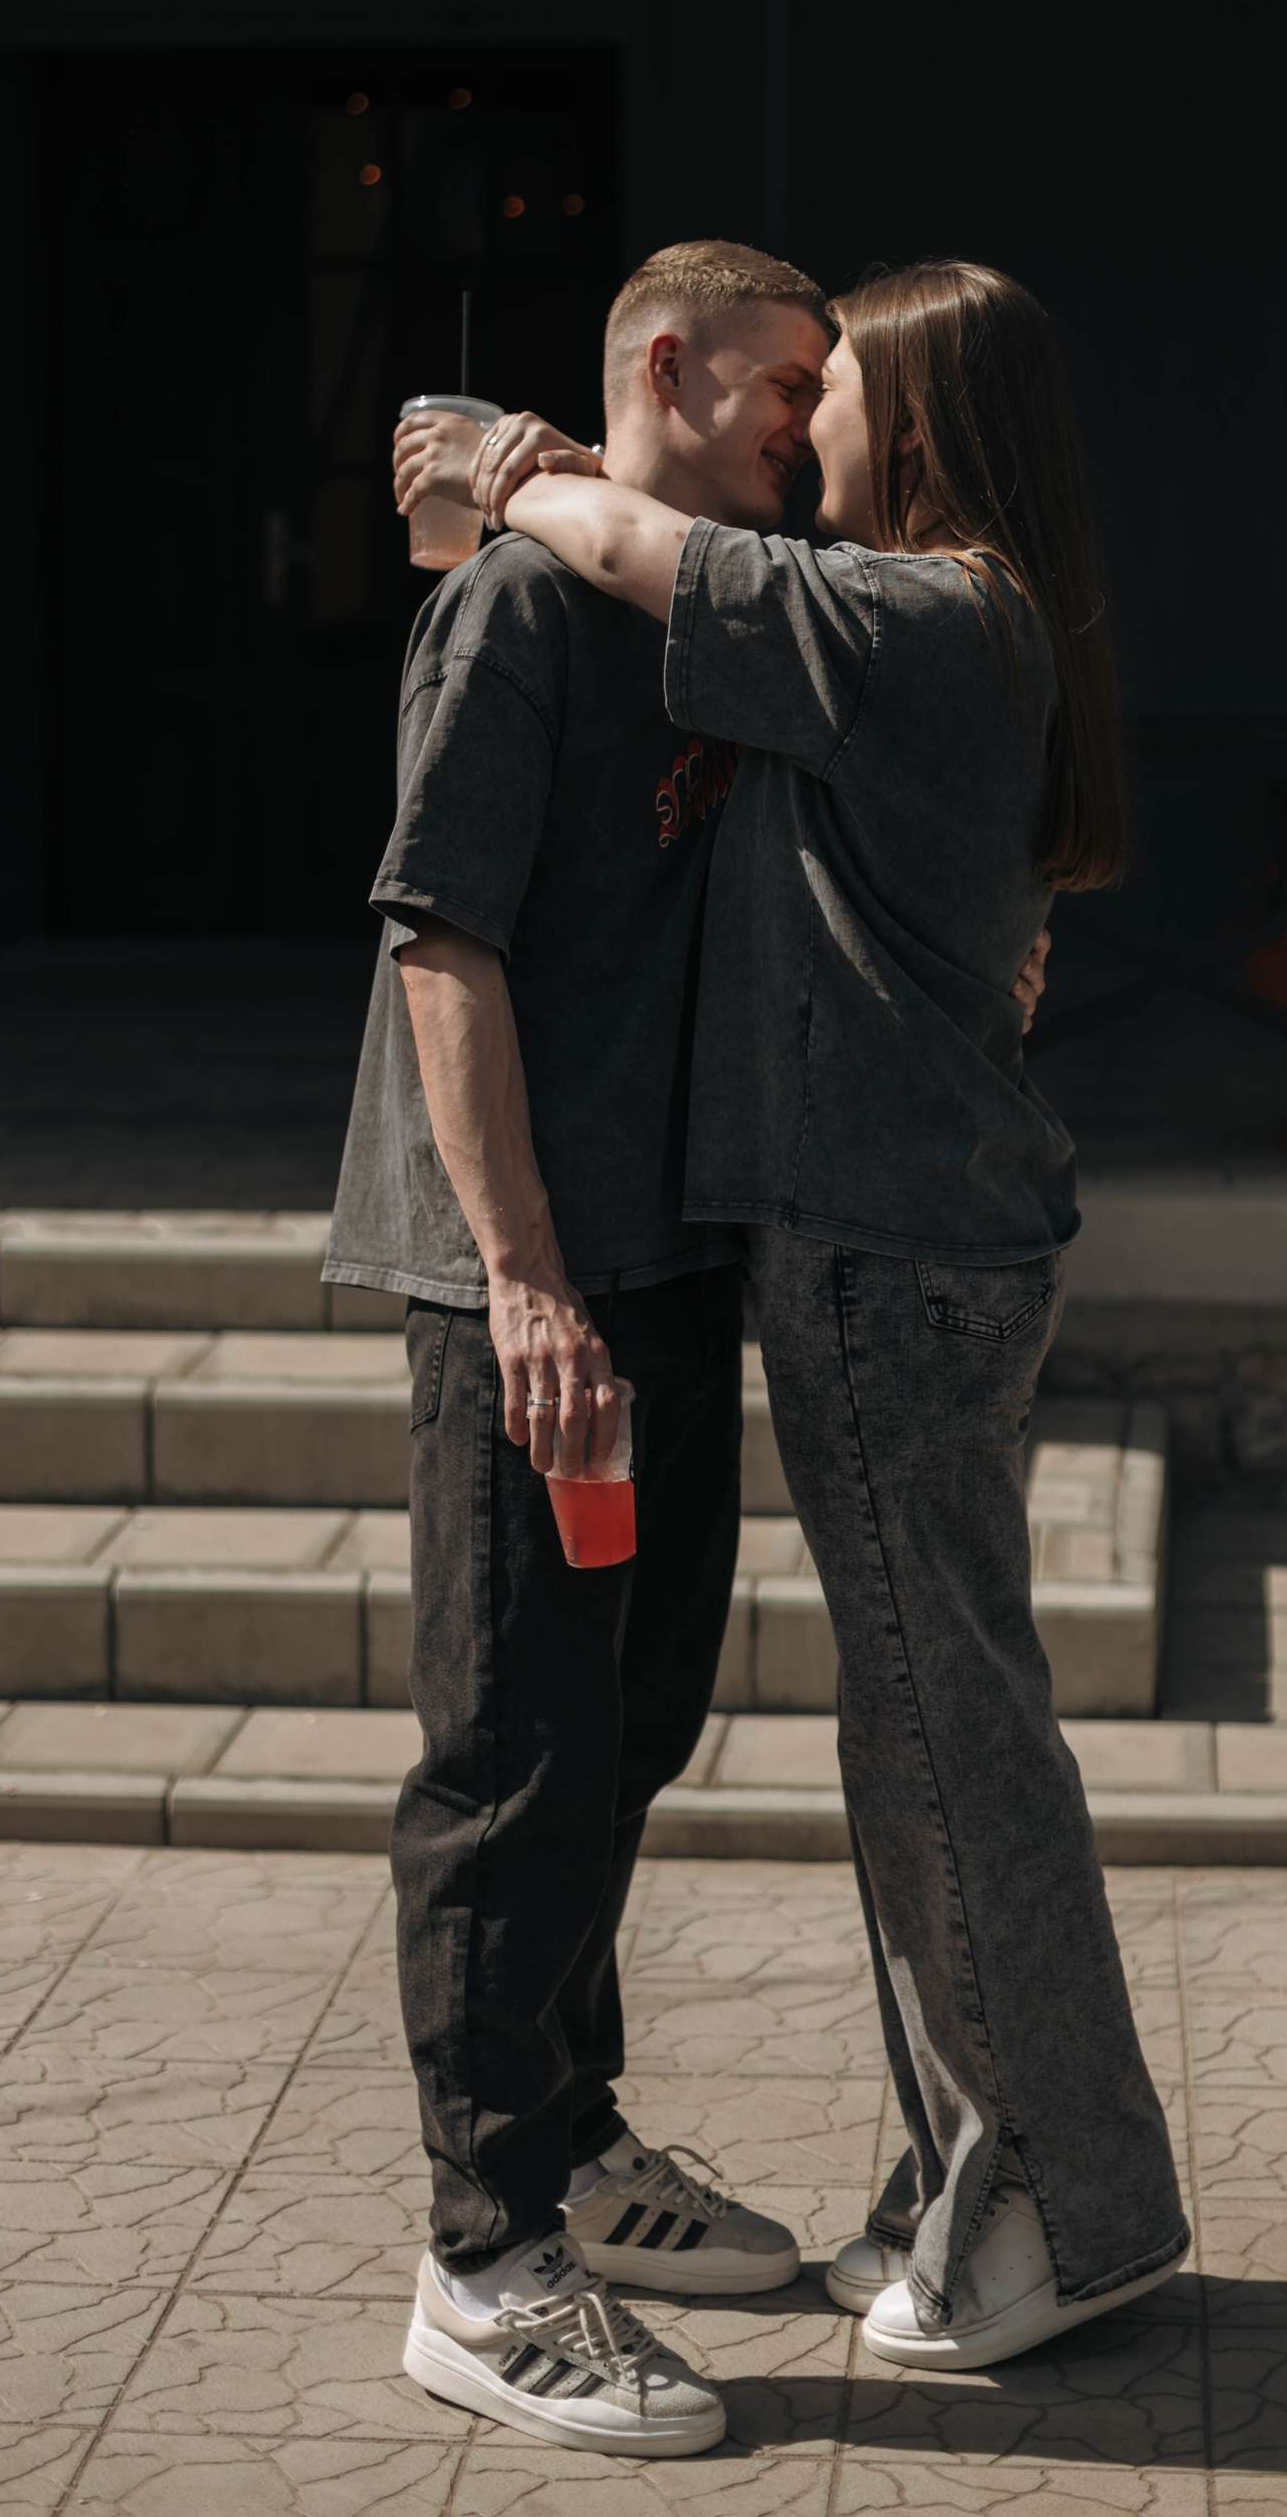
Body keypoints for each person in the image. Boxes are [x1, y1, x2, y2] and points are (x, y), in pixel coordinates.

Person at [486, 259, 1192, 2376]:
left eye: (842, 386)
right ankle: (984, 2164)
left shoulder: (916, 618)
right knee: (932, 1735)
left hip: (895, 1255)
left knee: (945, 1747)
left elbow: (643, 549)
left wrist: (514, 467)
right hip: (915, 1239)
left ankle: (1058, 2200)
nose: (809, 425)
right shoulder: (940, 624)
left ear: (929, 418)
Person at [325, 240, 837, 2460]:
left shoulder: (684, 594)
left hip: (665, 1256)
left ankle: (579, 2144)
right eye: (785, 385)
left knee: (631, 1723)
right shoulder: (524, 613)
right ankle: (484, 2259)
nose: (808, 425)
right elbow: (441, 943)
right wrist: (524, 1280)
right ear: (669, 365)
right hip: (528, 1288)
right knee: (514, 1757)